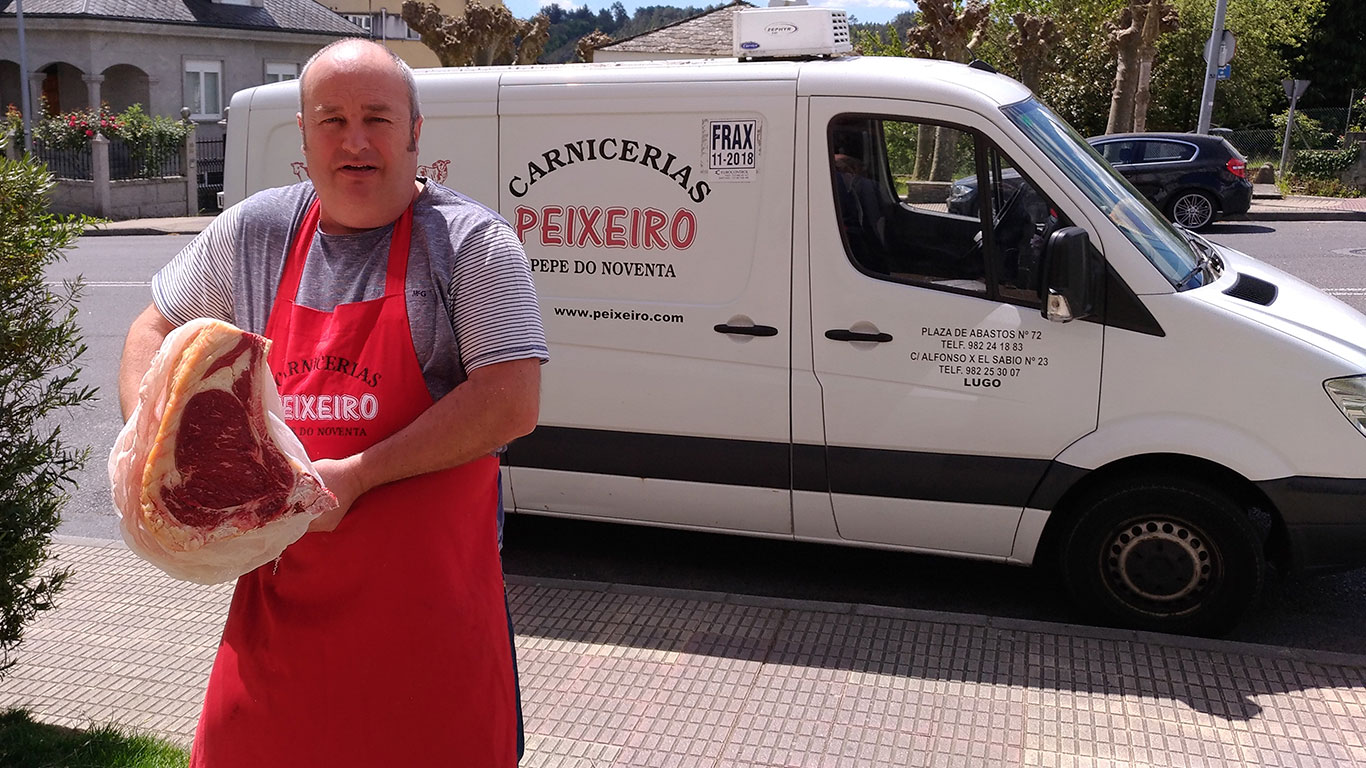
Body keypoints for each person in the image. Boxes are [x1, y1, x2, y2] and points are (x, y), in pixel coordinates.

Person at [116, 38, 547, 767]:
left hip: (426, 634)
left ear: (415, 132)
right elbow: (154, 326)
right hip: (276, 629)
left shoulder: (472, 245)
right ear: (304, 137)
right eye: (331, 119)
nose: (355, 142)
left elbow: (511, 400)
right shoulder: (257, 232)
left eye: (377, 118)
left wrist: (356, 475)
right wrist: (156, 441)